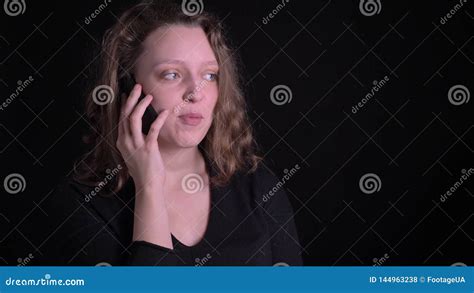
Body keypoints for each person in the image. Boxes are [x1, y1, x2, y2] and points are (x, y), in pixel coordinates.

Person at [45, 0, 303, 266]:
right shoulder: (83, 204)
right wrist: (149, 188)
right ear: (128, 86)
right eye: (171, 75)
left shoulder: (258, 187)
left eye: (209, 75)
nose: (195, 93)